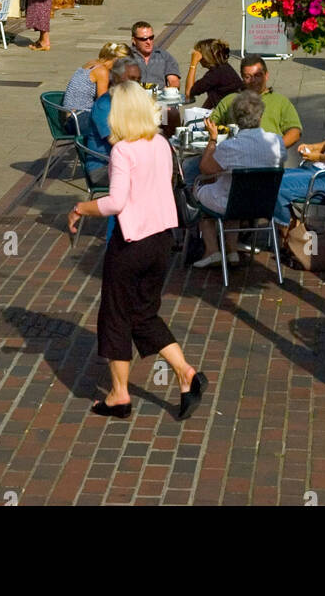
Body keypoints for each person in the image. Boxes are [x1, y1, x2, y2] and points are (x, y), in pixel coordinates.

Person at [68, 82, 207, 421]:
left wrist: (80, 208)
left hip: (132, 243)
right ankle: (185, 373)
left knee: (115, 315)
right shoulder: (160, 143)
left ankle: (119, 395)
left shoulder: (124, 151)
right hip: (161, 239)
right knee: (143, 313)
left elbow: (116, 202)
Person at [191, 89, 284, 267]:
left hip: (232, 202)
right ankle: (232, 250)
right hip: (264, 203)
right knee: (232, 190)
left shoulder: (230, 147)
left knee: (199, 189)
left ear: (235, 117)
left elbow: (205, 168)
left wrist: (212, 140)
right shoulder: (277, 142)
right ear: (261, 115)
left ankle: (212, 250)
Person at [210, 56, 301, 152]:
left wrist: (273, 149)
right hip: (235, 156)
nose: (253, 80)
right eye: (248, 77)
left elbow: (295, 131)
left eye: (258, 75)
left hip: (269, 157)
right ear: (242, 78)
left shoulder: (281, 101)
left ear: (266, 75)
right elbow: (212, 124)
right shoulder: (230, 100)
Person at [273, 133, 325, 229]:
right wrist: (312, 148)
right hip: (317, 171)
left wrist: (318, 157)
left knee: (277, 186)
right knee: (272, 179)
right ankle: (293, 230)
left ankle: (291, 233)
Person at [85, 56, 141, 173]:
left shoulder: (131, 101)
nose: (135, 85)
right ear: (116, 79)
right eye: (131, 79)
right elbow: (117, 142)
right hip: (103, 167)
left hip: (127, 161)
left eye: (138, 80)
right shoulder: (104, 105)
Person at [63, 42, 131, 132]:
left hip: (70, 117)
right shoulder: (102, 71)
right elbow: (103, 103)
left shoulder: (93, 63)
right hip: (78, 119)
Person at [184, 39, 244, 109]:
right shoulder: (224, 68)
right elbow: (214, 96)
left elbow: (188, 92)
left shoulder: (215, 74)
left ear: (205, 56)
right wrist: (201, 112)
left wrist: (193, 63)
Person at [129, 20, 180, 89]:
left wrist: (169, 92)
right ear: (134, 40)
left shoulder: (164, 56)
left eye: (151, 38)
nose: (148, 42)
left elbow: (174, 81)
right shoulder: (126, 56)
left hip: (158, 97)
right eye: (144, 39)